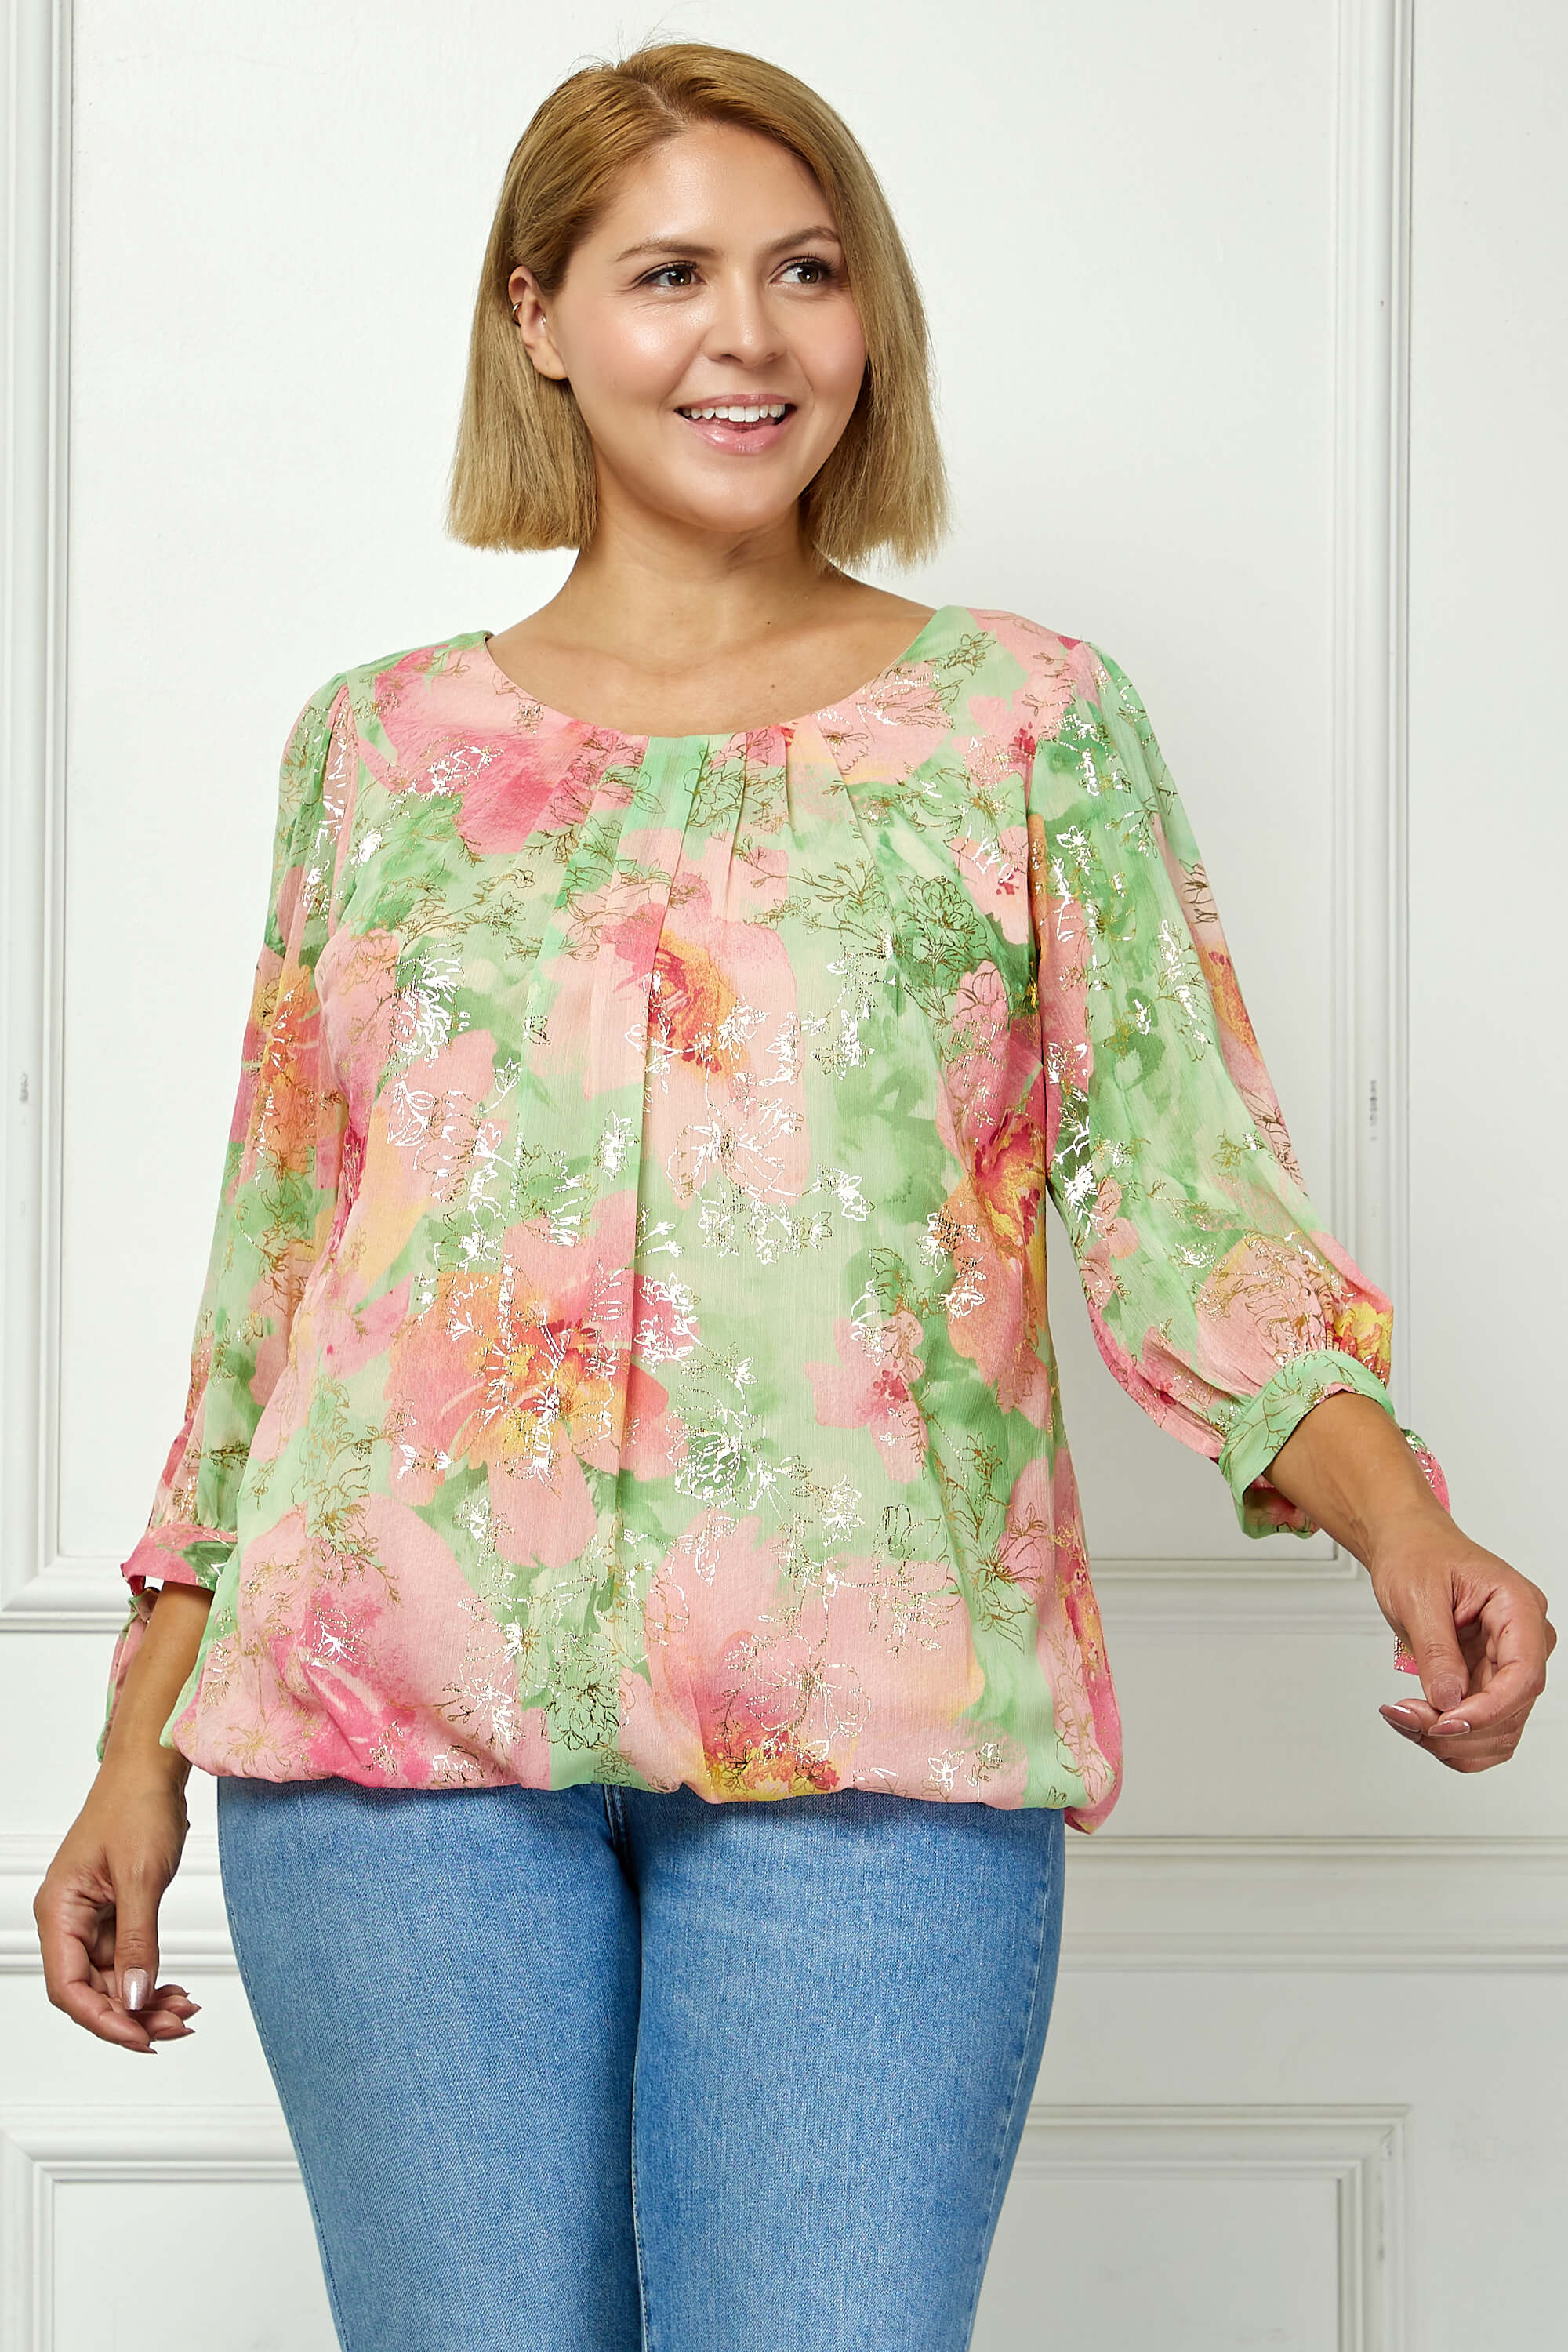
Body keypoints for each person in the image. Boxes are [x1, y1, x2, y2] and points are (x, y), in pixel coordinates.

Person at [34, 36, 1553, 2352]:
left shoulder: (1026, 725)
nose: (746, 336)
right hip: (379, 1753)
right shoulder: (377, 750)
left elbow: (1182, 1204)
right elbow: (277, 1286)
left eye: (806, 271)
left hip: (878, 1747)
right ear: (538, 316)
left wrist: (1402, 1520)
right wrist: (135, 1741)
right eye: (667, 274)